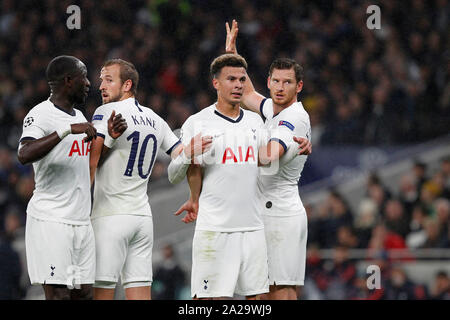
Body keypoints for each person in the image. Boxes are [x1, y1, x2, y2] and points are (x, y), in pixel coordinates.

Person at [167, 52, 310, 299]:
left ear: (299, 86)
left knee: (269, 296)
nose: (238, 85)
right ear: (216, 83)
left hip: (260, 225)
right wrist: (189, 164)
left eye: (241, 79)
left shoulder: (262, 122)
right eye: (230, 79)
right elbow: (177, 174)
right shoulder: (198, 122)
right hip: (216, 228)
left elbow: (267, 158)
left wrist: (298, 147)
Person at [88, 59, 211, 300]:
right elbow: (183, 157)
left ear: (127, 85)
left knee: (102, 293)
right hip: (142, 220)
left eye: (108, 80)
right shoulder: (155, 119)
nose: (101, 85)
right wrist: (194, 196)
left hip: (110, 216)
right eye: (101, 79)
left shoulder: (105, 113)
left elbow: (92, 161)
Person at [225, 20, 311, 300]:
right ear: (269, 81)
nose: (280, 87)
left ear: (299, 86)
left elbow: (270, 156)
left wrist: (230, 148)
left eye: (287, 82)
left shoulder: (294, 117)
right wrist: (233, 56)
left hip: (281, 214)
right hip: (266, 211)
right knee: (258, 292)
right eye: (276, 81)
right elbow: (248, 94)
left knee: (280, 291)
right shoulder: (275, 110)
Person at [17, 55, 98, 300]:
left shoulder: (80, 117)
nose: (88, 83)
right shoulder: (41, 114)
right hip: (52, 220)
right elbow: (24, 153)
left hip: (81, 221)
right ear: (68, 80)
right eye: (84, 77)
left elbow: (83, 163)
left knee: (82, 294)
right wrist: (64, 131)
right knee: (60, 295)